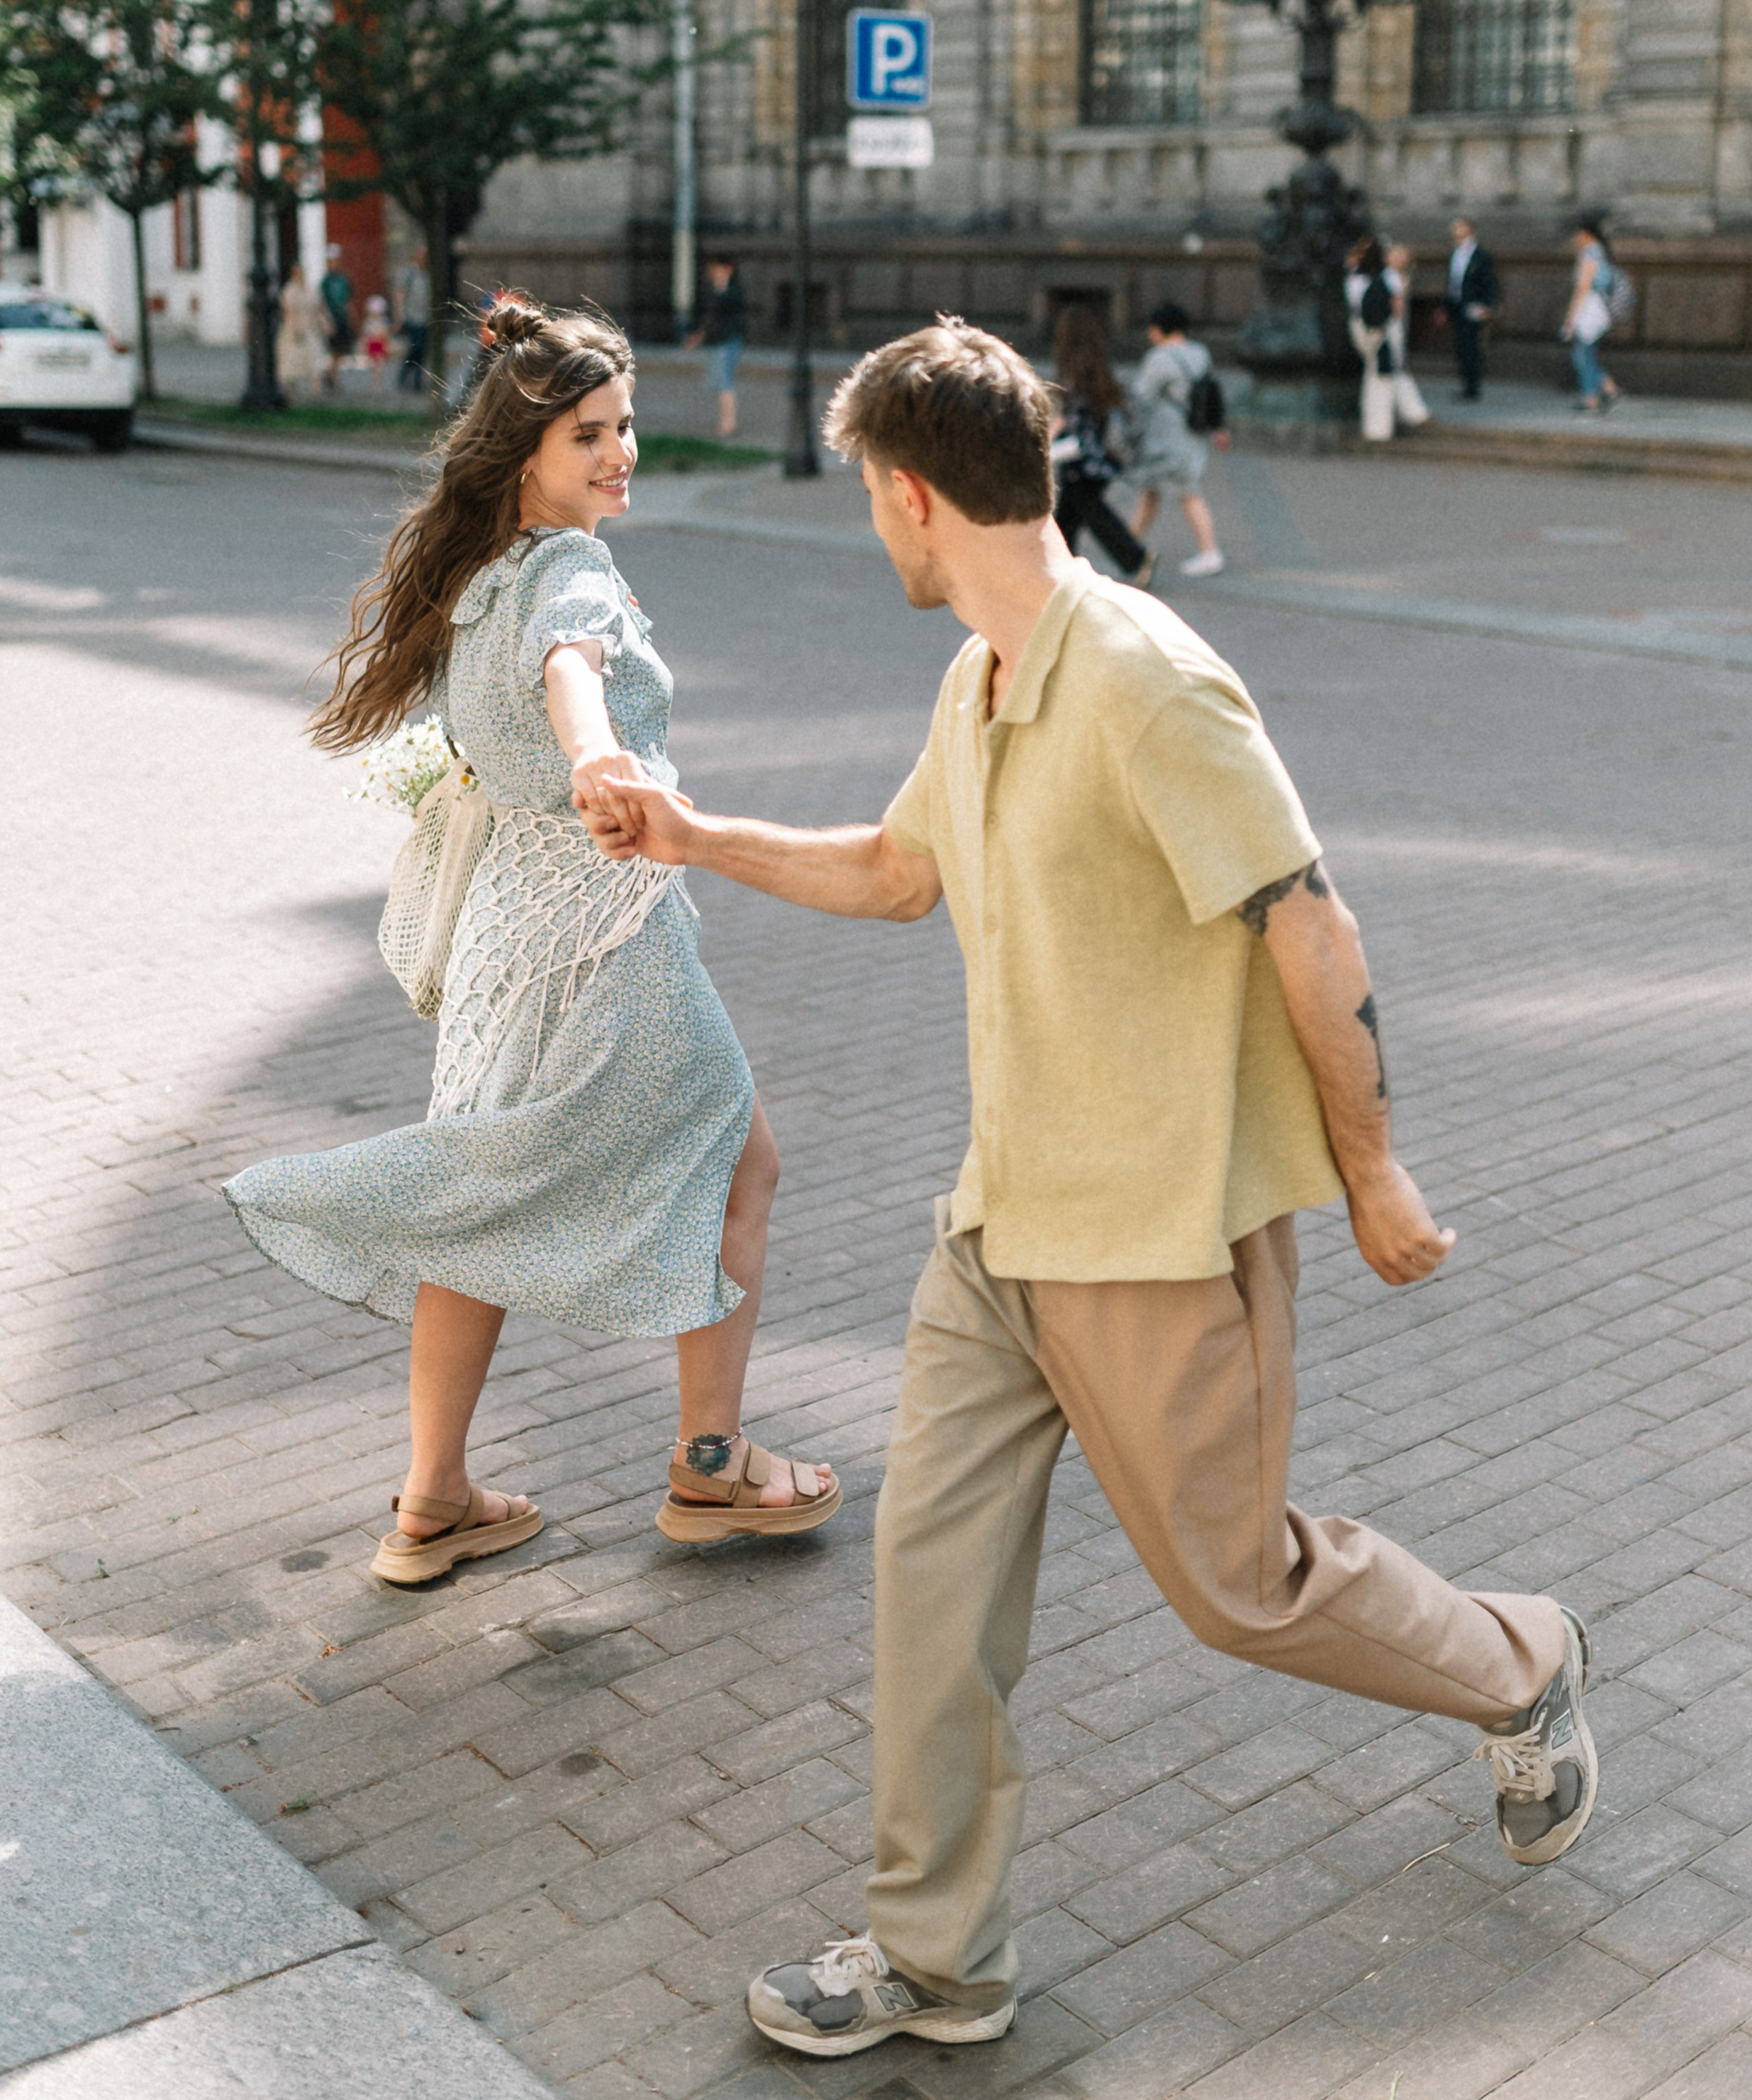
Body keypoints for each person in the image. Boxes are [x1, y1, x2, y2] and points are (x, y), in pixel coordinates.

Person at [584, 320, 1597, 2067]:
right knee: (929, 1584)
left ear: (911, 495)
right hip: (995, 1228)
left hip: (1151, 1238)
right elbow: (903, 868)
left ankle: (1515, 1657)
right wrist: (694, 831)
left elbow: (1307, 917)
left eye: (868, 503)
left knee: (1237, 1585)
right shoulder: (979, 673)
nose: (872, 531)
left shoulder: (1141, 675)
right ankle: (934, 1954)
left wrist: (1367, 1167)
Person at [224, 301, 839, 1585]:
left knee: (481, 1193)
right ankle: (712, 1468)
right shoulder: (570, 573)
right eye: (592, 436)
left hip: (509, 935)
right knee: (741, 1165)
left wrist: (572, 752)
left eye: (625, 429)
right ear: (526, 454)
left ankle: (433, 1499)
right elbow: (576, 666)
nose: (622, 455)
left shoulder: (472, 581)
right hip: (608, 925)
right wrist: (598, 750)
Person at [1125, 299, 1228, 578]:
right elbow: (1212, 391)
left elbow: (1142, 395)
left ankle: (1210, 553)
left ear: (1160, 330)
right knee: (1153, 490)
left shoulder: (1159, 358)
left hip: (1167, 436)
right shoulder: (1200, 352)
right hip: (1194, 432)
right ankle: (1125, 546)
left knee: (1186, 493)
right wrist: (1219, 427)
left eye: (1152, 328)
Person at [1047, 306, 1149, 582]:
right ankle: (1060, 569)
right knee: (1070, 515)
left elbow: (1072, 420)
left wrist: (1051, 436)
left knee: (1090, 513)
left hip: (1081, 459)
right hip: (1101, 456)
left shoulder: (1072, 373)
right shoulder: (1097, 367)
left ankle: (1136, 558)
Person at [1346, 234, 1431, 444]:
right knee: (1383, 375)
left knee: (1384, 372)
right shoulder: (1387, 277)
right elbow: (1398, 307)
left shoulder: (1355, 275)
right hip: (1382, 330)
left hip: (1362, 327)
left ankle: (1415, 413)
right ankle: (1380, 428)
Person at [1563, 213, 1622, 414]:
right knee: (1585, 355)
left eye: (1577, 234)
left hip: (1589, 310)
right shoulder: (1599, 252)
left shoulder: (1589, 254)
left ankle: (1592, 399)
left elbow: (1583, 288)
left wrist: (1570, 319)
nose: (1575, 238)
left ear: (1586, 234)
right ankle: (1607, 390)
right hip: (1597, 310)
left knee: (1582, 356)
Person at [684, 256, 747, 440]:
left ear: (727, 269)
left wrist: (697, 338)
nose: (713, 273)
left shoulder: (731, 291)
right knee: (721, 383)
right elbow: (710, 317)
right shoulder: (715, 291)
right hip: (719, 341)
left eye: (717, 269)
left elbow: (719, 314)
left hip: (726, 342)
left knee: (725, 382)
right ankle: (726, 422)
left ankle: (729, 423)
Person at [1444, 214, 1499, 401]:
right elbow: (1452, 282)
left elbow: (1489, 282)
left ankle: (1472, 387)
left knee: (1471, 347)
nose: (1455, 231)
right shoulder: (1455, 253)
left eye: (1459, 227)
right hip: (1457, 305)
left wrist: (1488, 304)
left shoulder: (1480, 255)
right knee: (1461, 346)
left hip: (1474, 306)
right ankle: (1466, 384)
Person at [274, 262, 327, 404]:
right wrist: (293, 330)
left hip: (310, 329)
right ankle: (289, 394)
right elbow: (288, 311)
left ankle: (316, 394)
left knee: (315, 360)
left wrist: (325, 324)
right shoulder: (290, 290)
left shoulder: (310, 290)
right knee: (292, 364)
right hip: (293, 329)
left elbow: (318, 308)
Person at [319, 244, 355, 398]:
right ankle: (333, 378)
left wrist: (352, 317)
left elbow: (348, 300)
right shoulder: (326, 281)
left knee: (341, 350)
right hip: (332, 319)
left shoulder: (344, 279)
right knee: (334, 349)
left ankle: (331, 374)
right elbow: (323, 303)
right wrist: (327, 321)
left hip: (342, 318)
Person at [394, 244, 431, 392]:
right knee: (416, 347)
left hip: (425, 318)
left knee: (423, 349)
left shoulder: (428, 275)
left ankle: (417, 379)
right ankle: (406, 372)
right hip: (412, 317)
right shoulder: (409, 274)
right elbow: (400, 294)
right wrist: (399, 315)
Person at [361, 291, 392, 397]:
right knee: (374, 365)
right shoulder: (368, 322)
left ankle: (377, 384)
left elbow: (386, 334)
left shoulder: (383, 321)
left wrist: (387, 344)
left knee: (379, 365)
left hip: (380, 343)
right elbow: (366, 335)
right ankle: (374, 384)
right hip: (373, 343)